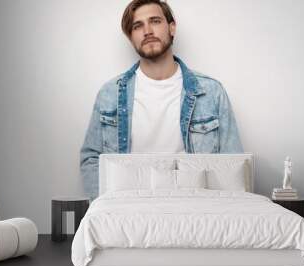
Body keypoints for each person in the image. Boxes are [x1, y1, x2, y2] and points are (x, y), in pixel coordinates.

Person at [80, 0, 243, 201]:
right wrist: (107, 208)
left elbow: (232, 163)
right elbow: (91, 159)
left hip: (196, 209)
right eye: (137, 26)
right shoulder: (109, 94)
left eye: (155, 21)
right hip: (129, 210)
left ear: (171, 28)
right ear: (131, 38)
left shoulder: (211, 92)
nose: (147, 31)